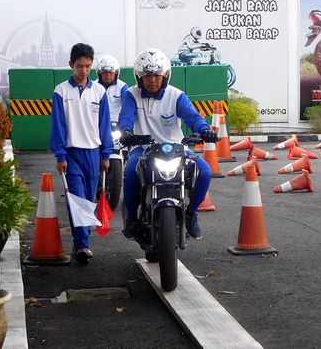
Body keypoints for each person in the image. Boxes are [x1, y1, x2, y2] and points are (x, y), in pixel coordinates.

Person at [119, 48, 217, 239]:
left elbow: (192, 117)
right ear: (139, 77)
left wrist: (204, 129)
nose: (152, 80)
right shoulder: (131, 94)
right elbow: (126, 118)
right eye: (147, 75)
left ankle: (191, 214)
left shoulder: (176, 95)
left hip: (175, 147)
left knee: (205, 172)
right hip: (143, 148)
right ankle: (131, 217)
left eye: (157, 75)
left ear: (166, 76)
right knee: (131, 173)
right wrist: (127, 132)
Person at [50, 43, 113, 265]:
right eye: (79, 66)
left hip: (94, 154)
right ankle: (82, 244)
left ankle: (82, 242)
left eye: (87, 66)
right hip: (72, 154)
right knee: (76, 198)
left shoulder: (99, 91)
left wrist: (106, 154)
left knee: (88, 199)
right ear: (71, 65)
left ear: (91, 65)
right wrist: (60, 156)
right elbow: (58, 126)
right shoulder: (61, 91)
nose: (83, 71)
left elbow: (104, 125)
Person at [95, 55, 129, 123]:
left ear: (116, 73)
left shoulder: (122, 86)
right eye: (105, 73)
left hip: (117, 122)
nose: (108, 75)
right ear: (99, 73)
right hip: (98, 121)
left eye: (110, 72)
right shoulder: (94, 86)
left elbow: (127, 108)